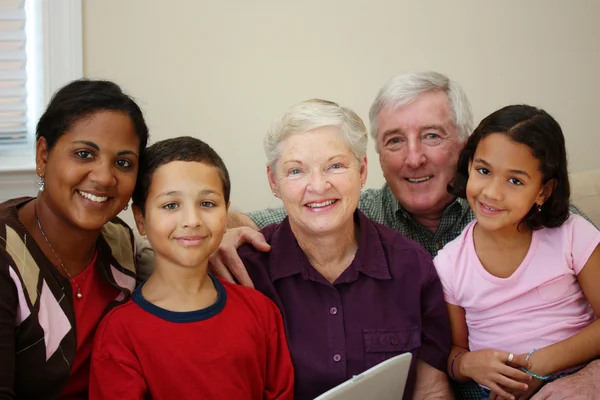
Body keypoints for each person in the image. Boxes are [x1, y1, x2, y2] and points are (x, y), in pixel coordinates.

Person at [205, 71, 600, 400]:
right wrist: (222, 229)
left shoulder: (544, 220)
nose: (414, 158)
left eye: (432, 135)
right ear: (374, 158)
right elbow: (292, 211)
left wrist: (589, 379)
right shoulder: (343, 214)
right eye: (395, 140)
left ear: (465, 145)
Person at [232, 99, 452, 399]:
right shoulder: (245, 272)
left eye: (335, 166)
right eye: (296, 171)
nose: (318, 186)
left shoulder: (412, 268)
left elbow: (430, 391)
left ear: (361, 171)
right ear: (274, 181)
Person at [89, 137, 294, 399]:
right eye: (171, 205)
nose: (192, 220)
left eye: (207, 204)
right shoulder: (119, 333)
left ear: (226, 211)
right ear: (141, 219)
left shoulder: (261, 311)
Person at [434, 105, 600, 400]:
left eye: (515, 181)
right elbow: (454, 352)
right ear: (469, 165)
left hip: (581, 378)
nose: (492, 193)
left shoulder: (572, 235)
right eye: (483, 171)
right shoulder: (449, 264)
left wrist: (539, 364)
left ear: (543, 192)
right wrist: (469, 364)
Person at [0, 79, 149, 399]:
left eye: (123, 163)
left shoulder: (121, 243)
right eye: (84, 154)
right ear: (43, 155)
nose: (104, 177)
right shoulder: (6, 254)